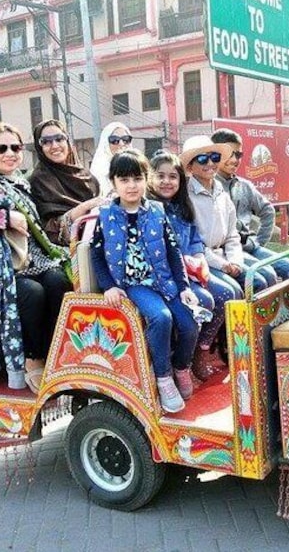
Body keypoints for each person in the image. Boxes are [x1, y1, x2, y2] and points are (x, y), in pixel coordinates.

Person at [0, 122, 73, 394]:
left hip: (36, 261)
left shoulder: (23, 184)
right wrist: (3, 218)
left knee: (58, 282)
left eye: (15, 147)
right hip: (2, 269)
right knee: (32, 292)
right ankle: (32, 359)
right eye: (2, 148)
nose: (10, 153)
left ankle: (56, 353)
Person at [90, 150, 200, 413]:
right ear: (113, 182)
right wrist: (109, 285)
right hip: (134, 284)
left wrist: (184, 286)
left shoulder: (157, 211)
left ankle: (181, 367)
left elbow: (173, 251)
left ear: (145, 180)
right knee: (161, 318)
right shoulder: (105, 216)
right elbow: (96, 253)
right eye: (124, 179)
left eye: (137, 179)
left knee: (190, 322)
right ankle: (163, 378)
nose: (131, 185)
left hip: (163, 279)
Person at [147, 151, 241, 380]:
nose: (167, 182)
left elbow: (195, 238)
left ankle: (208, 349)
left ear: (181, 180)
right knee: (217, 296)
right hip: (169, 272)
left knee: (235, 291)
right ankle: (193, 357)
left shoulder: (182, 207)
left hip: (192, 267)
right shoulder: (150, 208)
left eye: (173, 177)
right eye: (161, 176)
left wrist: (199, 258)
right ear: (150, 178)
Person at [183, 135, 277, 296]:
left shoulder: (221, 192)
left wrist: (235, 262)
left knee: (263, 279)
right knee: (231, 292)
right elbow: (194, 244)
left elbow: (232, 235)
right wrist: (223, 265)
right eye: (202, 159)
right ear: (190, 167)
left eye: (214, 157)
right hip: (201, 259)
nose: (210, 163)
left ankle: (258, 322)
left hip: (227, 254)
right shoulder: (186, 197)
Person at [211, 128, 289, 281]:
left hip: (250, 246)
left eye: (238, 154)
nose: (234, 160)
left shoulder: (244, 185)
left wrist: (259, 241)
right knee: (265, 277)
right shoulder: (208, 186)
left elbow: (267, 210)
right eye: (229, 154)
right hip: (225, 252)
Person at [29, 119, 104, 246]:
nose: (54, 145)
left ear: (67, 141)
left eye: (59, 138)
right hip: (66, 256)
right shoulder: (38, 181)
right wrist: (83, 208)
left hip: (98, 246)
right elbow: (45, 230)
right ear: (39, 147)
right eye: (46, 141)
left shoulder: (86, 176)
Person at [90, 122, 134, 195]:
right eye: (114, 140)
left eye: (126, 139)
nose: (121, 144)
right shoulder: (98, 173)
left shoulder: (137, 167)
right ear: (105, 143)